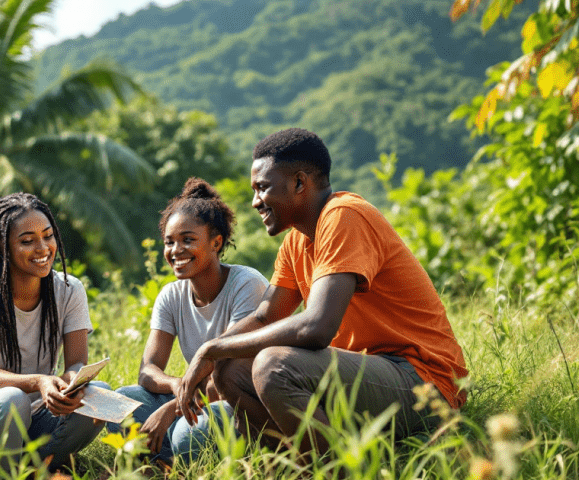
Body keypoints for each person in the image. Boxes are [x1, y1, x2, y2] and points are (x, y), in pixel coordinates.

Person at [176, 128, 468, 455]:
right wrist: (214, 353)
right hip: (371, 380)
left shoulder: (344, 216)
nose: (255, 201)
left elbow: (316, 327)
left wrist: (213, 348)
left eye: (262, 188)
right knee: (230, 369)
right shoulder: (296, 241)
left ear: (300, 183)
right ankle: (291, 469)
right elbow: (264, 316)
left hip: (424, 385)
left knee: (272, 365)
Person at [107, 178, 268, 463]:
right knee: (117, 403)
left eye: (188, 240)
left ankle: (172, 455)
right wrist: (177, 386)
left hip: (237, 402)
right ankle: (169, 459)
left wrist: (170, 409)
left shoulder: (247, 285)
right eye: (169, 242)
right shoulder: (171, 295)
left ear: (216, 243)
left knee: (187, 435)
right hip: (195, 397)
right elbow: (148, 371)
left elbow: (224, 379)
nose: (176, 250)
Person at [0, 193, 106, 475]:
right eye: (27, 241)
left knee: (98, 395)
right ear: (4, 247)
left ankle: (35, 471)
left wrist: (70, 386)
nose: (43, 248)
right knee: (12, 399)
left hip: (38, 415)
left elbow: (76, 363)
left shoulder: (70, 290)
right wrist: (39, 381)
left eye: (48, 236)